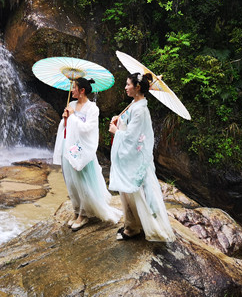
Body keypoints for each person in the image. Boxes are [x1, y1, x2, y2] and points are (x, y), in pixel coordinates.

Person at [108, 72, 175, 242]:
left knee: (136, 192)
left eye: (128, 84)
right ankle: (133, 224)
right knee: (129, 193)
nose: (125, 87)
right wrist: (119, 120)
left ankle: (136, 227)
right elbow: (128, 125)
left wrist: (116, 132)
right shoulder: (135, 104)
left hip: (136, 157)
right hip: (133, 157)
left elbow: (132, 137)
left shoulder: (141, 110)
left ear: (137, 87)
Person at [53, 77, 122, 231]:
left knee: (82, 181)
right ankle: (76, 210)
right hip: (69, 146)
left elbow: (88, 129)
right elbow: (67, 127)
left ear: (82, 90)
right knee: (71, 180)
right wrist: (65, 119)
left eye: (74, 87)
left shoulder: (92, 108)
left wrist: (72, 117)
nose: (72, 90)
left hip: (82, 149)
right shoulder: (71, 105)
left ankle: (84, 215)